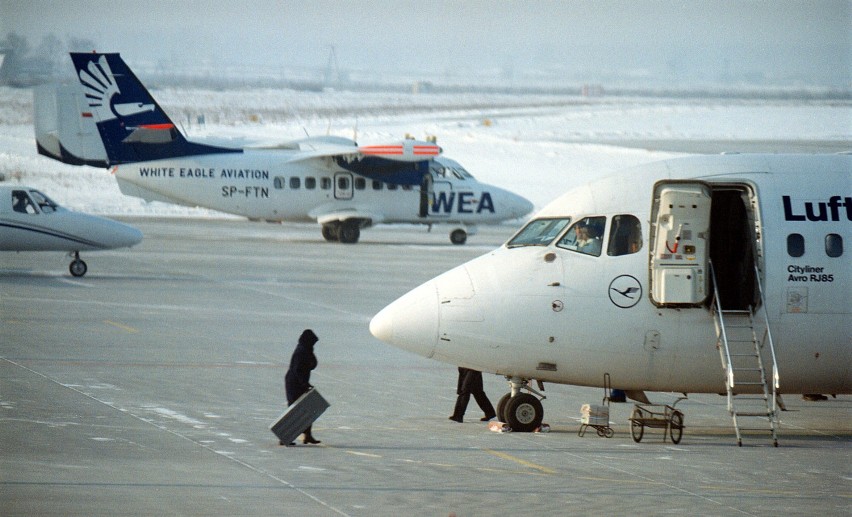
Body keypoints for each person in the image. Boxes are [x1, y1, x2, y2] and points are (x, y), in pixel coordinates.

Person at [284, 329, 321, 445]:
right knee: (294, 410)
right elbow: (297, 370)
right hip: (294, 383)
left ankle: (307, 435)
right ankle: (285, 436)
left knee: (308, 407)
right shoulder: (301, 351)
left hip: (300, 382)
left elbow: (312, 364)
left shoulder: (306, 350)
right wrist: (304, 384)